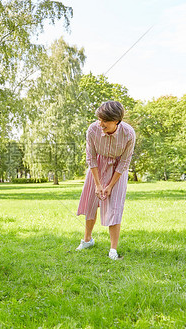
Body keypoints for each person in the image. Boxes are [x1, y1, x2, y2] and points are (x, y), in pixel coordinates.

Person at [76, 100, 136, 260]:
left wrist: (109, 185)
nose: (101, 124)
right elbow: (91, 157)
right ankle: (87, 240)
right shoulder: (93, 130)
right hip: (97, 167)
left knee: (115, 207)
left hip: (117, 170)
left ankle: (113, 250)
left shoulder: (129, 134)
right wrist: (97, 184)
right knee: (90, 203)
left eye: (105, 121)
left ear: (116, 121)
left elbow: (124, 162)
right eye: (100, 119)